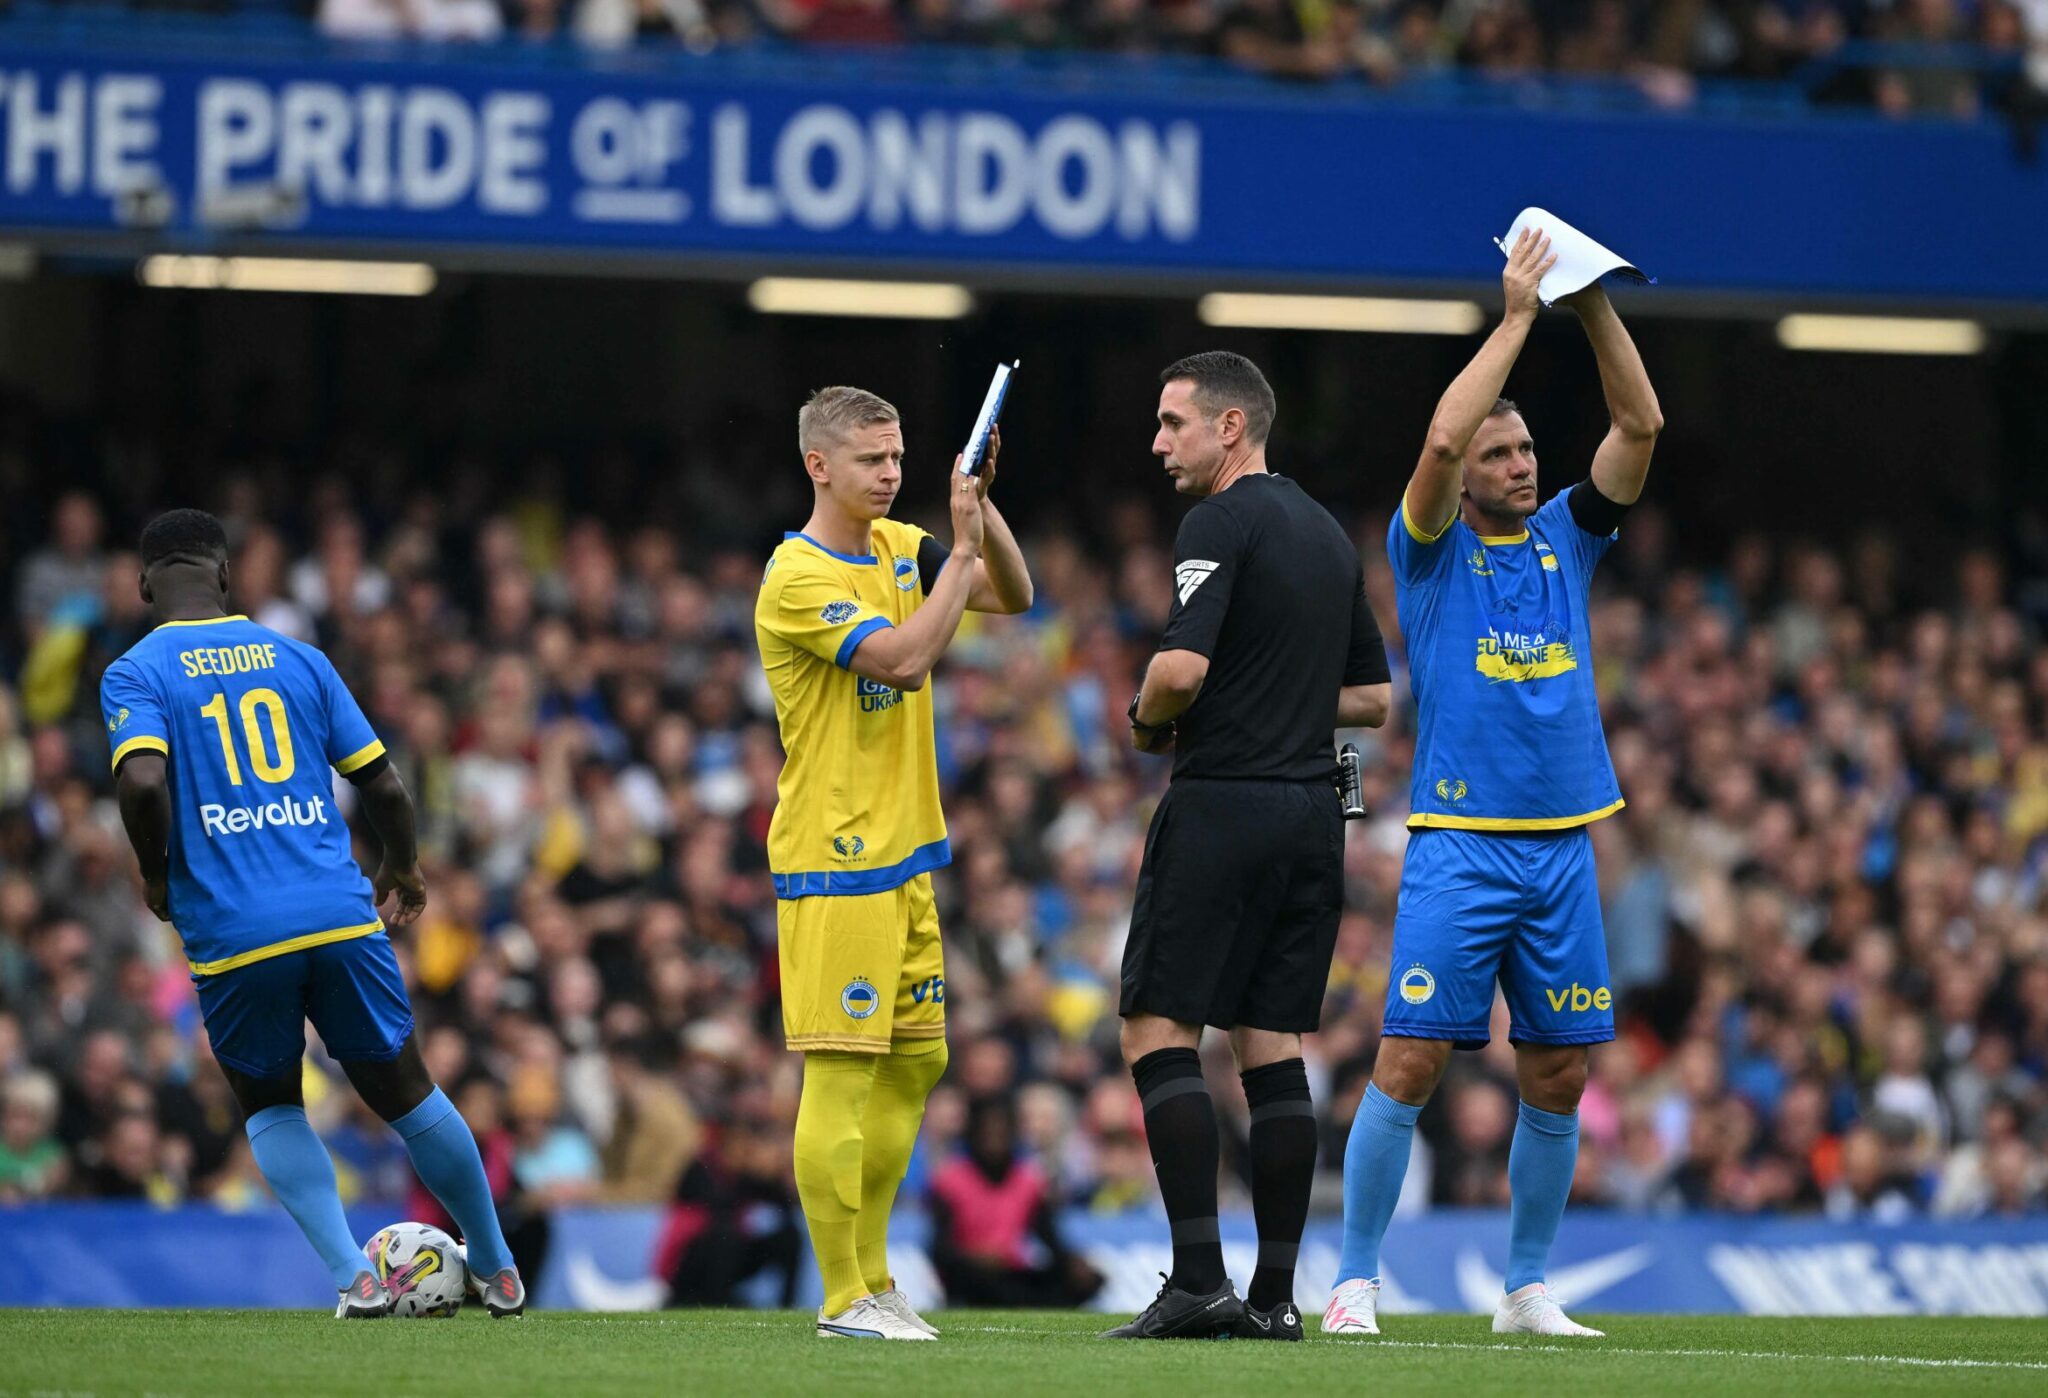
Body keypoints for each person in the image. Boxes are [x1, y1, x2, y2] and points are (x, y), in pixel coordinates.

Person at [1326, 228, 1663, 1340]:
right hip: (1460, 844)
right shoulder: (1426, 553)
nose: (1518, 465)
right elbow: (1433, 438)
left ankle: (1523, 1289)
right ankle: (1354, 1283)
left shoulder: (1569, 534)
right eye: (1498, 454)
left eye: (1524, 451)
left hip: (1563, 845)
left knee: (1558, 1074)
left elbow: (1638, 426)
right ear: (1463, 477)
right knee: (1411, 1056)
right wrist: (1514, 317)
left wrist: (1587, 301)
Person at [101, 509, 526, 1319]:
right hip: (337, 911)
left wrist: (157, 877)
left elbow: (145, 784)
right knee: (407, 1091)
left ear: (146, 584)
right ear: (227, 577)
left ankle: (354, 1278)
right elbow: (386, 786)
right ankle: (498, 1267)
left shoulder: (134, 671)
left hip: (234, 931)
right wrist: (401, 864)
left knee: (271, 1102)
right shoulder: (300, 659)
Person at [1108, 351, 1392, 1341]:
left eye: (1171, 422)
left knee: (1155, 1029)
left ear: (1230, 428)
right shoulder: (1322, 531)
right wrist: (1277, 700)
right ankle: (1273, 1302)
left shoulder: (1217, 521)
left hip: (1223, 799)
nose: (1157, 443)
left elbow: (1178, 673)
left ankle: (1195, 1282)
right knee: (1270, 1044)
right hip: (1312, 814)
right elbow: (1369, 697)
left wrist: (1143, 718)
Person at [754, 386, 1032, 1340]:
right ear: (817, 466)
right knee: (840, 1073)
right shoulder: (796, 576)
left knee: (918, 1063)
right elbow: (907, 660)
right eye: (873, 460)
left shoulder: (894, 544)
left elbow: (1014, 595)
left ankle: (875, 1278)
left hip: (904, 854)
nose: (891, 473)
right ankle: (840, 1298)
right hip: (835, 861)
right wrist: (956, 548)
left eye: (901, 456)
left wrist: (978, 507)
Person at [927, 1094, 1105, 1308]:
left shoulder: (1029, 1180)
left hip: (1011, 1271)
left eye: (1002, 1133)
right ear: (973, 1134)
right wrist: (973, 1258)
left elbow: (1050, 1239)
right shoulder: (949, 1181)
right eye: (988, 1133)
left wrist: (1073, 1263)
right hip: (970, 1276)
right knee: (976, 1279)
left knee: (1086, 1280)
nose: (995, 1140)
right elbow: (939, 1250)